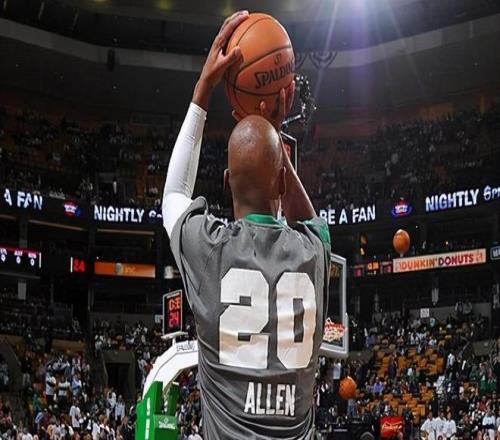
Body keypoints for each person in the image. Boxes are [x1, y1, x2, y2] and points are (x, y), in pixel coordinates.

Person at [162, 10, 331, 440]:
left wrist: (204, 88)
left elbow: (174, 194)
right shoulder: (313, 254)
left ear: (225, 182)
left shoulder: (209, 252)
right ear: (282, 179)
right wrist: (273, 132)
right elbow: (312, 222)